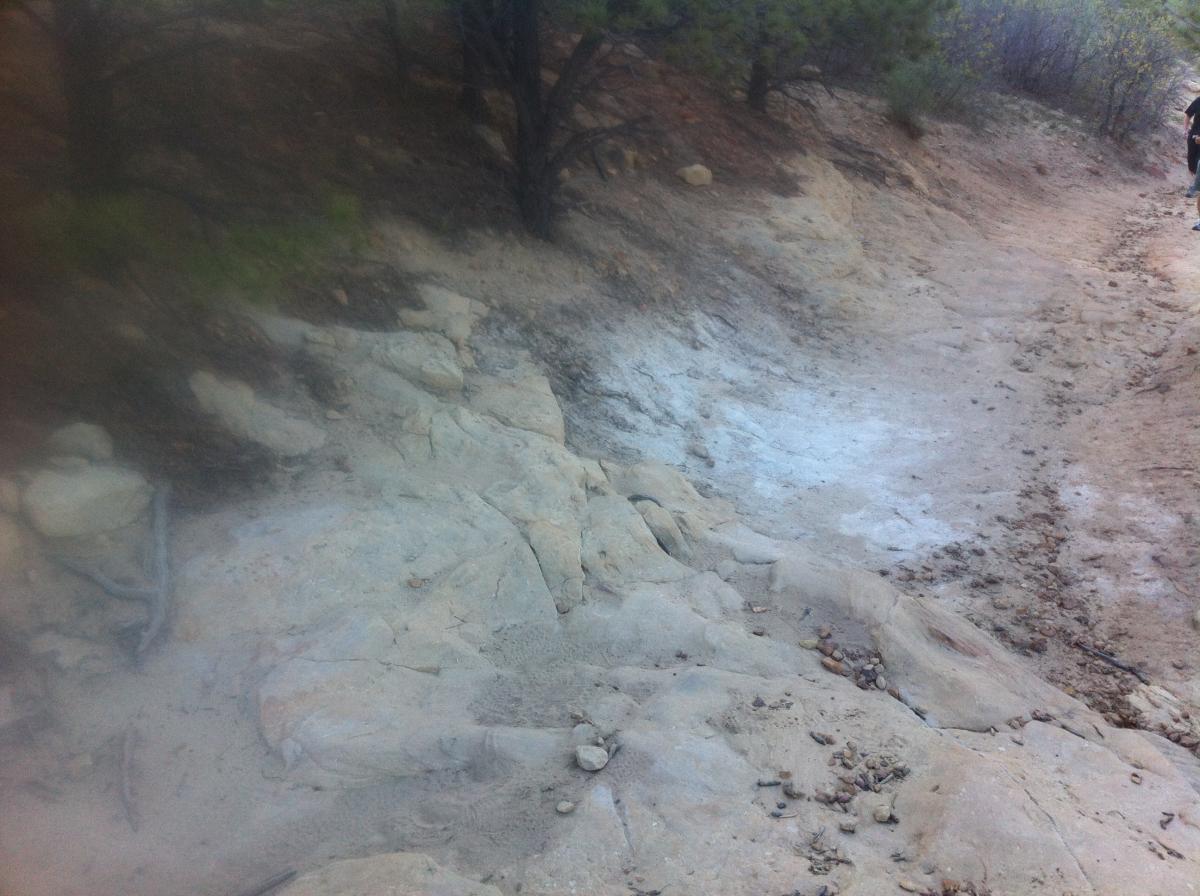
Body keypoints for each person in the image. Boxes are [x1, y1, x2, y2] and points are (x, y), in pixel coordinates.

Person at [1185, 96, 1200, 230]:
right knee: (1192, 163)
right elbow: (1188, 114)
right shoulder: (1198, 100)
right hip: (1194, 136)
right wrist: (1186, 129)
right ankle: (1195, 184)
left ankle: (1194, 186)